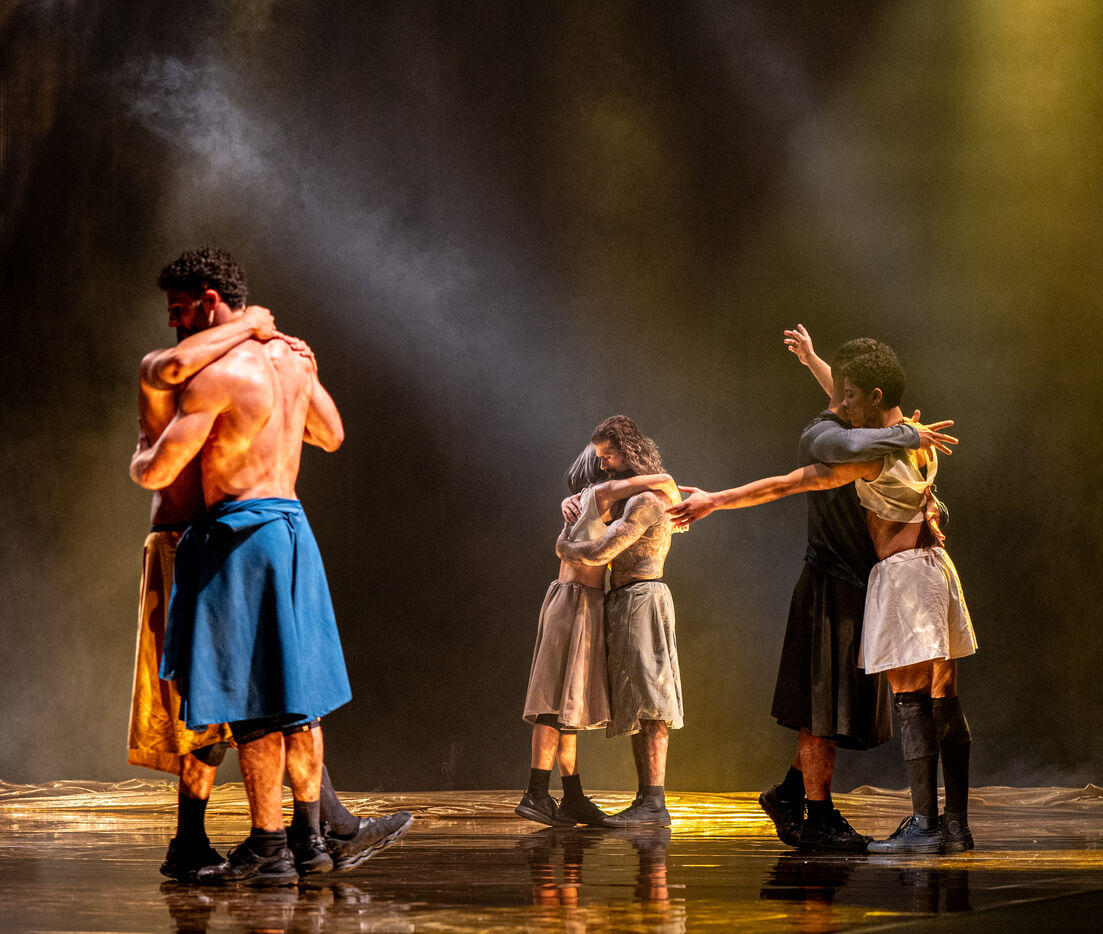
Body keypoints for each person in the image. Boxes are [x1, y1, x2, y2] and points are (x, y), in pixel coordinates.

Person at [130, 247, 411, 884]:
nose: (174, 323)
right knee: (298, 703)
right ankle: (312, 841)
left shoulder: (212, 376)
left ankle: (268, 844)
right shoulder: (292, 359)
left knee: (250, 705)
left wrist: (142, 454)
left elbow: (160, 469)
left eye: (180, 309)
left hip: (236, 535)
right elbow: (331, 435)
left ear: (210, 303)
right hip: (292, 528)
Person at [670, 348, 976, 853]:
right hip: (938, 572)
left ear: (873, 397)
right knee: (945, 697)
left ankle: (925, 825)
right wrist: (815, 362)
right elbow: (854, 412)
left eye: (850, 397)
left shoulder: (874, 454)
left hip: (903, 577)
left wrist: (715, 500)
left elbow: (788, 483)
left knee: (913, 702)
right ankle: (956, 826)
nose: (842, 405)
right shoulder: (921, 443)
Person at [517, 444, 680, 828]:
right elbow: (663, 480)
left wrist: (671, 511)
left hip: (584, 601)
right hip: (575, 601)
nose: (612, 470)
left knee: (567, 703)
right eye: (605, 463)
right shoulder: (599, 494)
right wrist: (670, 502)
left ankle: (572, 796)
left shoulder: (592, 502)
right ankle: (536, 793)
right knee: (554, 701)